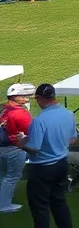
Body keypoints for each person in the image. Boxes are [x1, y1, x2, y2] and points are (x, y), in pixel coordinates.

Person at [14, 84, 79, 228]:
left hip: (42, 168)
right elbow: (72, 139)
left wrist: (21, 143)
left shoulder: (40, 120)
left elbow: (34, 147)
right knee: (59, 202)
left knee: (40, 208)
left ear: (40, 99)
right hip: (61, 164)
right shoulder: (68, 114)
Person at [0, 82, 35, 213]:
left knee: (3, 175)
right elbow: (32, 129)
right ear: (14, 97)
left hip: (2, 146)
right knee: (12, 175)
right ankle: (4, 204)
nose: (26, 96)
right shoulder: (20, 113)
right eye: (22, 95)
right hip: (15, 148)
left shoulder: (4, 109)